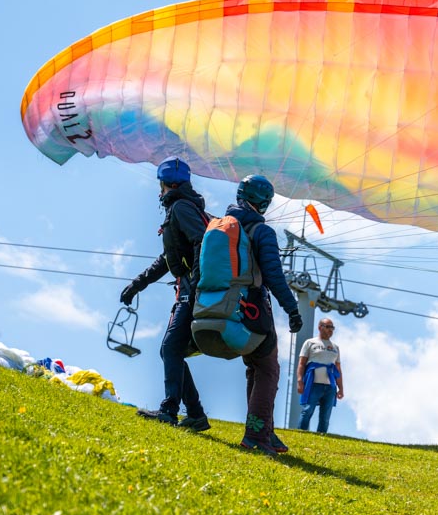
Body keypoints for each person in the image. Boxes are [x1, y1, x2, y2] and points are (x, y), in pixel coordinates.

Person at [119, 157, 211, 432]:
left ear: (169, 185)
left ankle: (170, 411)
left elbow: (200, 241)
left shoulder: (181, 208)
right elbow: (167, 258)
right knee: (173, 350)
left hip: (191, 287)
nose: (158, 192)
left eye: (160, 186)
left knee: (170, 348)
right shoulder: (181, 208)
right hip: (189, 285)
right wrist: (138, 284)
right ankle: (195, 414)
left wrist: (196, 281)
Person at [226, 174, 302, 456]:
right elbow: (274, 276)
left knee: (255, 368)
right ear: (265, 202)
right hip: (255, 309)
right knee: (268, 369)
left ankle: (264, 429)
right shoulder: (261, 231)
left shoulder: (223, 226)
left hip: (227, 305)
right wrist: (292, 308)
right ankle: (256, 434)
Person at [297, 318, 344, 433]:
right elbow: (302, 364)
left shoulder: (335, 347)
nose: (330, 330)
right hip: (313, 384)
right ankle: (301, 433)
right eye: (328, 327)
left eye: (332, 328)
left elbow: (338, 369)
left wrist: (341, 388)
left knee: (325, 416)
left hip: (330, 387)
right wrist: (300, 381)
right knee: (307, 410)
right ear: (320, 327)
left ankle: (321, 435)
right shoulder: (310, 343)